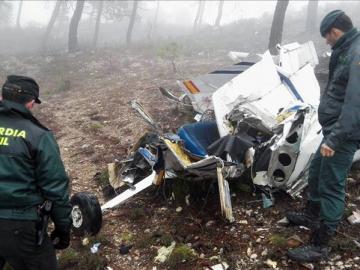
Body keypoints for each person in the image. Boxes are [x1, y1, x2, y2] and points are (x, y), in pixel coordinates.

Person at [285, 10, 360, 262]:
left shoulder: (357, 54)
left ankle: (321, 245)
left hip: (344, 134)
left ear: (334, 32)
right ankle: (311, 215)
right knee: (317, 171)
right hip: (334, 130)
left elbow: (355, 104)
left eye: (327, 38)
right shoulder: (347, 50)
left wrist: (335, 138)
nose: (326, 42)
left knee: (331, 183)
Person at [0, 75, 72, 270]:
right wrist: (63, 227)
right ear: (31, 103)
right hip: (19, 225)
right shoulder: (38, 135)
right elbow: (55, 187)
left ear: (2, 97)